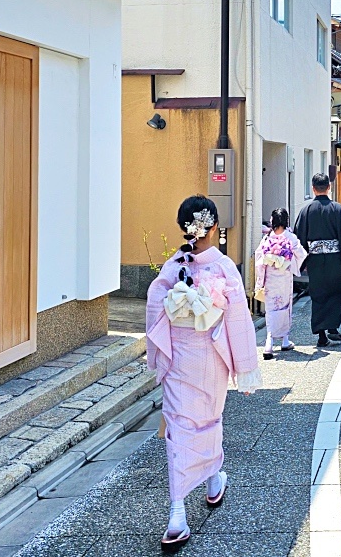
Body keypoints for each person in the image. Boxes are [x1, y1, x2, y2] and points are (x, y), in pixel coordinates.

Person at [146, 196, 261, 552]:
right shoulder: (224, 267)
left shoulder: (172, 268)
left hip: (179, 359)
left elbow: (155, 308)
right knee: (209, 421)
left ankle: (181, 510)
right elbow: (239, 321)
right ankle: (205, 488)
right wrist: (245, 367)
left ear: (185, 228)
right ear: (214, 228)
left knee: (180, 427)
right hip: (211, 358)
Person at [293, 173, 341, 348]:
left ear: (313, 188)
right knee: (336, 292)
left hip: (314, 260)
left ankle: (322, 334)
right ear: (329, 188)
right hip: (336, 259)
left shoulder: (306, 211)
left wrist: (302, 262)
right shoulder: (337, 209)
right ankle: (333, 328)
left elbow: (299, 238)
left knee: (318, 295)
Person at [254, 208, 307, 359]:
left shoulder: (267, 238)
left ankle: (270, 342)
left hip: (270, 279)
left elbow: (259, 257)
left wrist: (261, 279)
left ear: (273, 221)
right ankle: (284, 340)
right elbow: (301, 253)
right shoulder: (290, 236)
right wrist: (289, 263)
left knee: (271, 309)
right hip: (284, 277)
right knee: (285, 307)